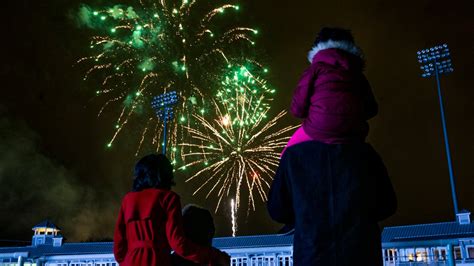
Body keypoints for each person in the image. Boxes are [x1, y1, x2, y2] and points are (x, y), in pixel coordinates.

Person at [268, 27, 397, 265]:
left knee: (286, 154)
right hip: (361, 255)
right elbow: (387, 205)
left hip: (312, 255)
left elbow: (277, 209)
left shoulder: (294, 157)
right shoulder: (368, 156)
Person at [113, 154, 230, 266]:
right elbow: (179, 244)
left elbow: (119, 249)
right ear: (166, 175)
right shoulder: (169, 198)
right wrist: (215, 256)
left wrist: (128, 262)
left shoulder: (128, 200)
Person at [283, 27, 378, 155]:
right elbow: (372, 110)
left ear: (317, 47)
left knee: (287, 154)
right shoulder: (358, 74)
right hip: (354, 133)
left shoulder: (315, 69)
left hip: (319, 128)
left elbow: (297, 110)